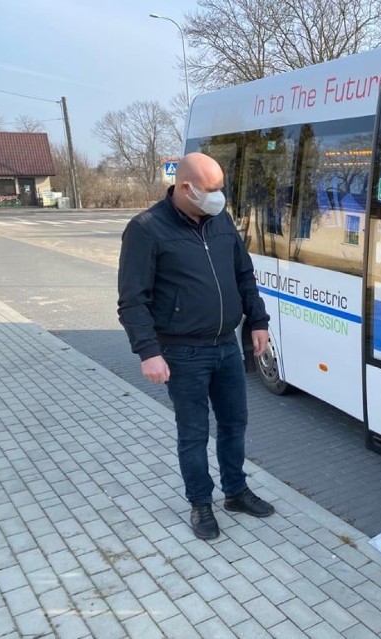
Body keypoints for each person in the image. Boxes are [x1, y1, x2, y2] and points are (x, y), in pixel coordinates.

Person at [118, 152, 274, 540]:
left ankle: (236, 492)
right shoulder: (146, 229)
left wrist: (258, 321)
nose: (219, 197)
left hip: (226, 346)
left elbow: (244, 274)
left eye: (221, 188)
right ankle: (201, 504)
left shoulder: (220, 220)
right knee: (193, 432)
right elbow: (132, 300)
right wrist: (148, 351)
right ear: (186, 188)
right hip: (182, 352)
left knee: (234, 424)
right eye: (212, 190)